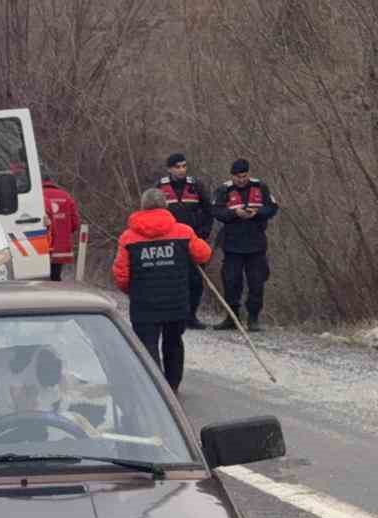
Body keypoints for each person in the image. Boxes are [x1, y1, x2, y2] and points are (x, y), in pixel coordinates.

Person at [113, 188, 213, 393]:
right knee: (174, 343)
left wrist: (131, 291)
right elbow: (204, 255)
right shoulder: (183, 232)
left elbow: (121, 274)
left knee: (147, 345)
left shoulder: (128, 237)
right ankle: (173, 387)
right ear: (165, 206)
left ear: (142, 207)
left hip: (144, 303)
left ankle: (155, 390)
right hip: (176, 301)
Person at [210, 159, 279, 332]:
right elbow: (216, 211)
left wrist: (257, 213)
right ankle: (231, 317)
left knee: (257, 282)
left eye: (244, 176)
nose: (241, 180)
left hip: (256, 244)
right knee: (231, 281)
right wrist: (234, 213)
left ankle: (253, 318)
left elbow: (273, 208)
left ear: (249, 173)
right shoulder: (223, 190)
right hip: (232, 245)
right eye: (237, 177)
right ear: (232, 176)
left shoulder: (261, 187)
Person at [156, 152, 214, 329]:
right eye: (177, 167)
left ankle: (191, 316)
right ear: (169, 169)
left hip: (193, 239)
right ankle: (173, 314)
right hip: (170, 242)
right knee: (172, 279)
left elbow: (209, 211)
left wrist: (204, 233)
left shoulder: (196, 186)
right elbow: (155, 213)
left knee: (195, 280)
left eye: (184, 166)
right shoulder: (160, 187)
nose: (181, 170)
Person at [41, 169, 81, 282]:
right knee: (55, 277)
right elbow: (75, 223)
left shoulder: (36, 196)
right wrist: (65, 232)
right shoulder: (66, 196)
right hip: (61, 247)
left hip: (40, 245)